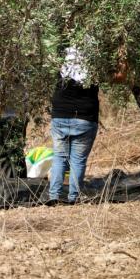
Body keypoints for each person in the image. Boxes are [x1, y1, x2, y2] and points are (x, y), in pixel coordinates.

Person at [48, 46, 99, 205]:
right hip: (85, 119)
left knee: (59, 158)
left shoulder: (61, 61)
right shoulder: (94, 64)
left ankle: (54, 196)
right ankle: (73, 198)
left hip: (60, 117)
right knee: (78, 161)